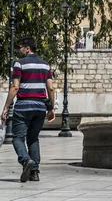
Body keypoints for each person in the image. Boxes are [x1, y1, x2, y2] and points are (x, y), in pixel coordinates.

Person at [1, 37, 55, 182]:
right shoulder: (45, 65)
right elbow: (50, 87)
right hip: (40, 107)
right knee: (33, 138)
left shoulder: (19, 64)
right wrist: (51, 109)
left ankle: (26, 161)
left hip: (24, 106)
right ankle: (35, 172)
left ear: (27, 48)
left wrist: (6, 106)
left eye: (19, 47)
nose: (18, 50)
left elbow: (15, 86)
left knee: (17, 138)